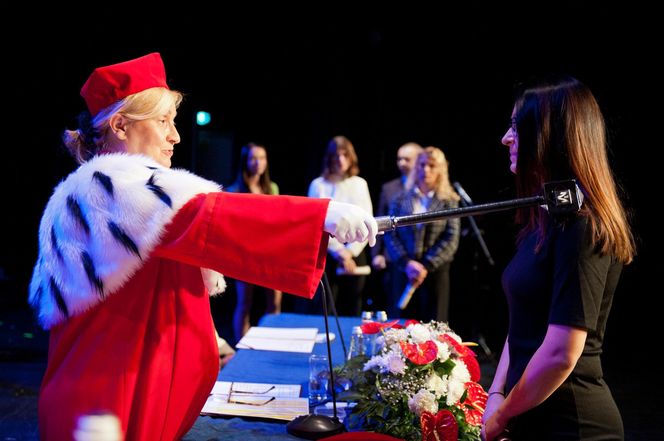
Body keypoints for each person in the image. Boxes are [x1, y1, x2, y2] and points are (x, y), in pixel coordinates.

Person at [28, 53, 377, 441]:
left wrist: (205, 338)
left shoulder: (111, 194)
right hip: (101, 410)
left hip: (111, 400)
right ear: (120, 125)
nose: (175, 136)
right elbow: (209, 218)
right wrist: (319, 217)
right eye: (163, 121)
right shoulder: (105, 187)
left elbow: (151, 281)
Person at [481, 76, 635, 441]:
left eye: (517, 128)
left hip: (573, 426)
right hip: (530, 416)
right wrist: (495, 395)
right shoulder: (546, 220)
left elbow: (561, 353)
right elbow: (520, 328)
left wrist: (501, 415)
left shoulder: (583, 227)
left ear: (551, 136)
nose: (506, 138)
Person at [384, 146, 460, 321]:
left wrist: (425, 265)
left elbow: (451, 238)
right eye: (422, 164)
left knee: (434, 327)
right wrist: (407, 263)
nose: (425, 170)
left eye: (431, 165)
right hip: (404, 272)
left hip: (434, 275)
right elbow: (390, 234)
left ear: (440, 169)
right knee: (400, 327)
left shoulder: (448, 201)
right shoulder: (400, 198)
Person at [307, 135, 373, 316]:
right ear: (329, 158)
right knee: (325, 308)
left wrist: (349, 253)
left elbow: (367, 221)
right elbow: (315, 224)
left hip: (355, 254)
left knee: (352, 308)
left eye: (345, 155)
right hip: (327, 254)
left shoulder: (360, 184)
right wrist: (339, 252)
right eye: (336, 156)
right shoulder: (318, 185)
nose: (341, 160)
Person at [226, 142, 282, 341]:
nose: (258, 163)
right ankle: (241, 345)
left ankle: (271, 341)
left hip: (270, 252)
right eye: (253, 158)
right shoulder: (234, 190)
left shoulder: (271, 187)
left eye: (262, 158)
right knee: (245, 302)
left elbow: (277, 219)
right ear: (245, 161)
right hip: (246, 252)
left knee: (274, 302)